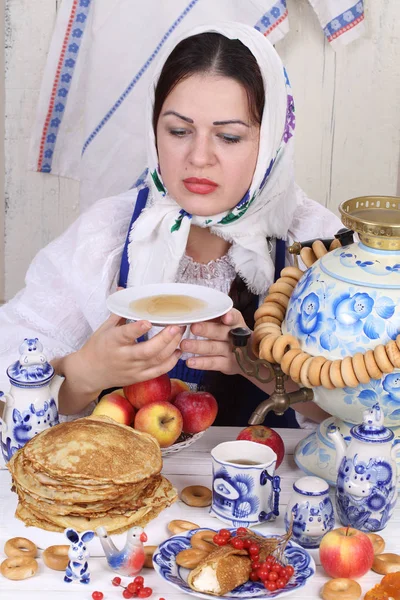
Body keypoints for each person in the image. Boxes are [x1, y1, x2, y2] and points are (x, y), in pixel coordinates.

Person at [0, 23, 342, 426]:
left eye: (229, 137)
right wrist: (84, 373)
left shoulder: (315, 244)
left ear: (270, 141)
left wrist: (260, 368)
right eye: (179, 131)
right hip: (122, 484)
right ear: (154, 130)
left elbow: (362, 410)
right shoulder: (109, 233)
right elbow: (12, 386)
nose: (199, 157)